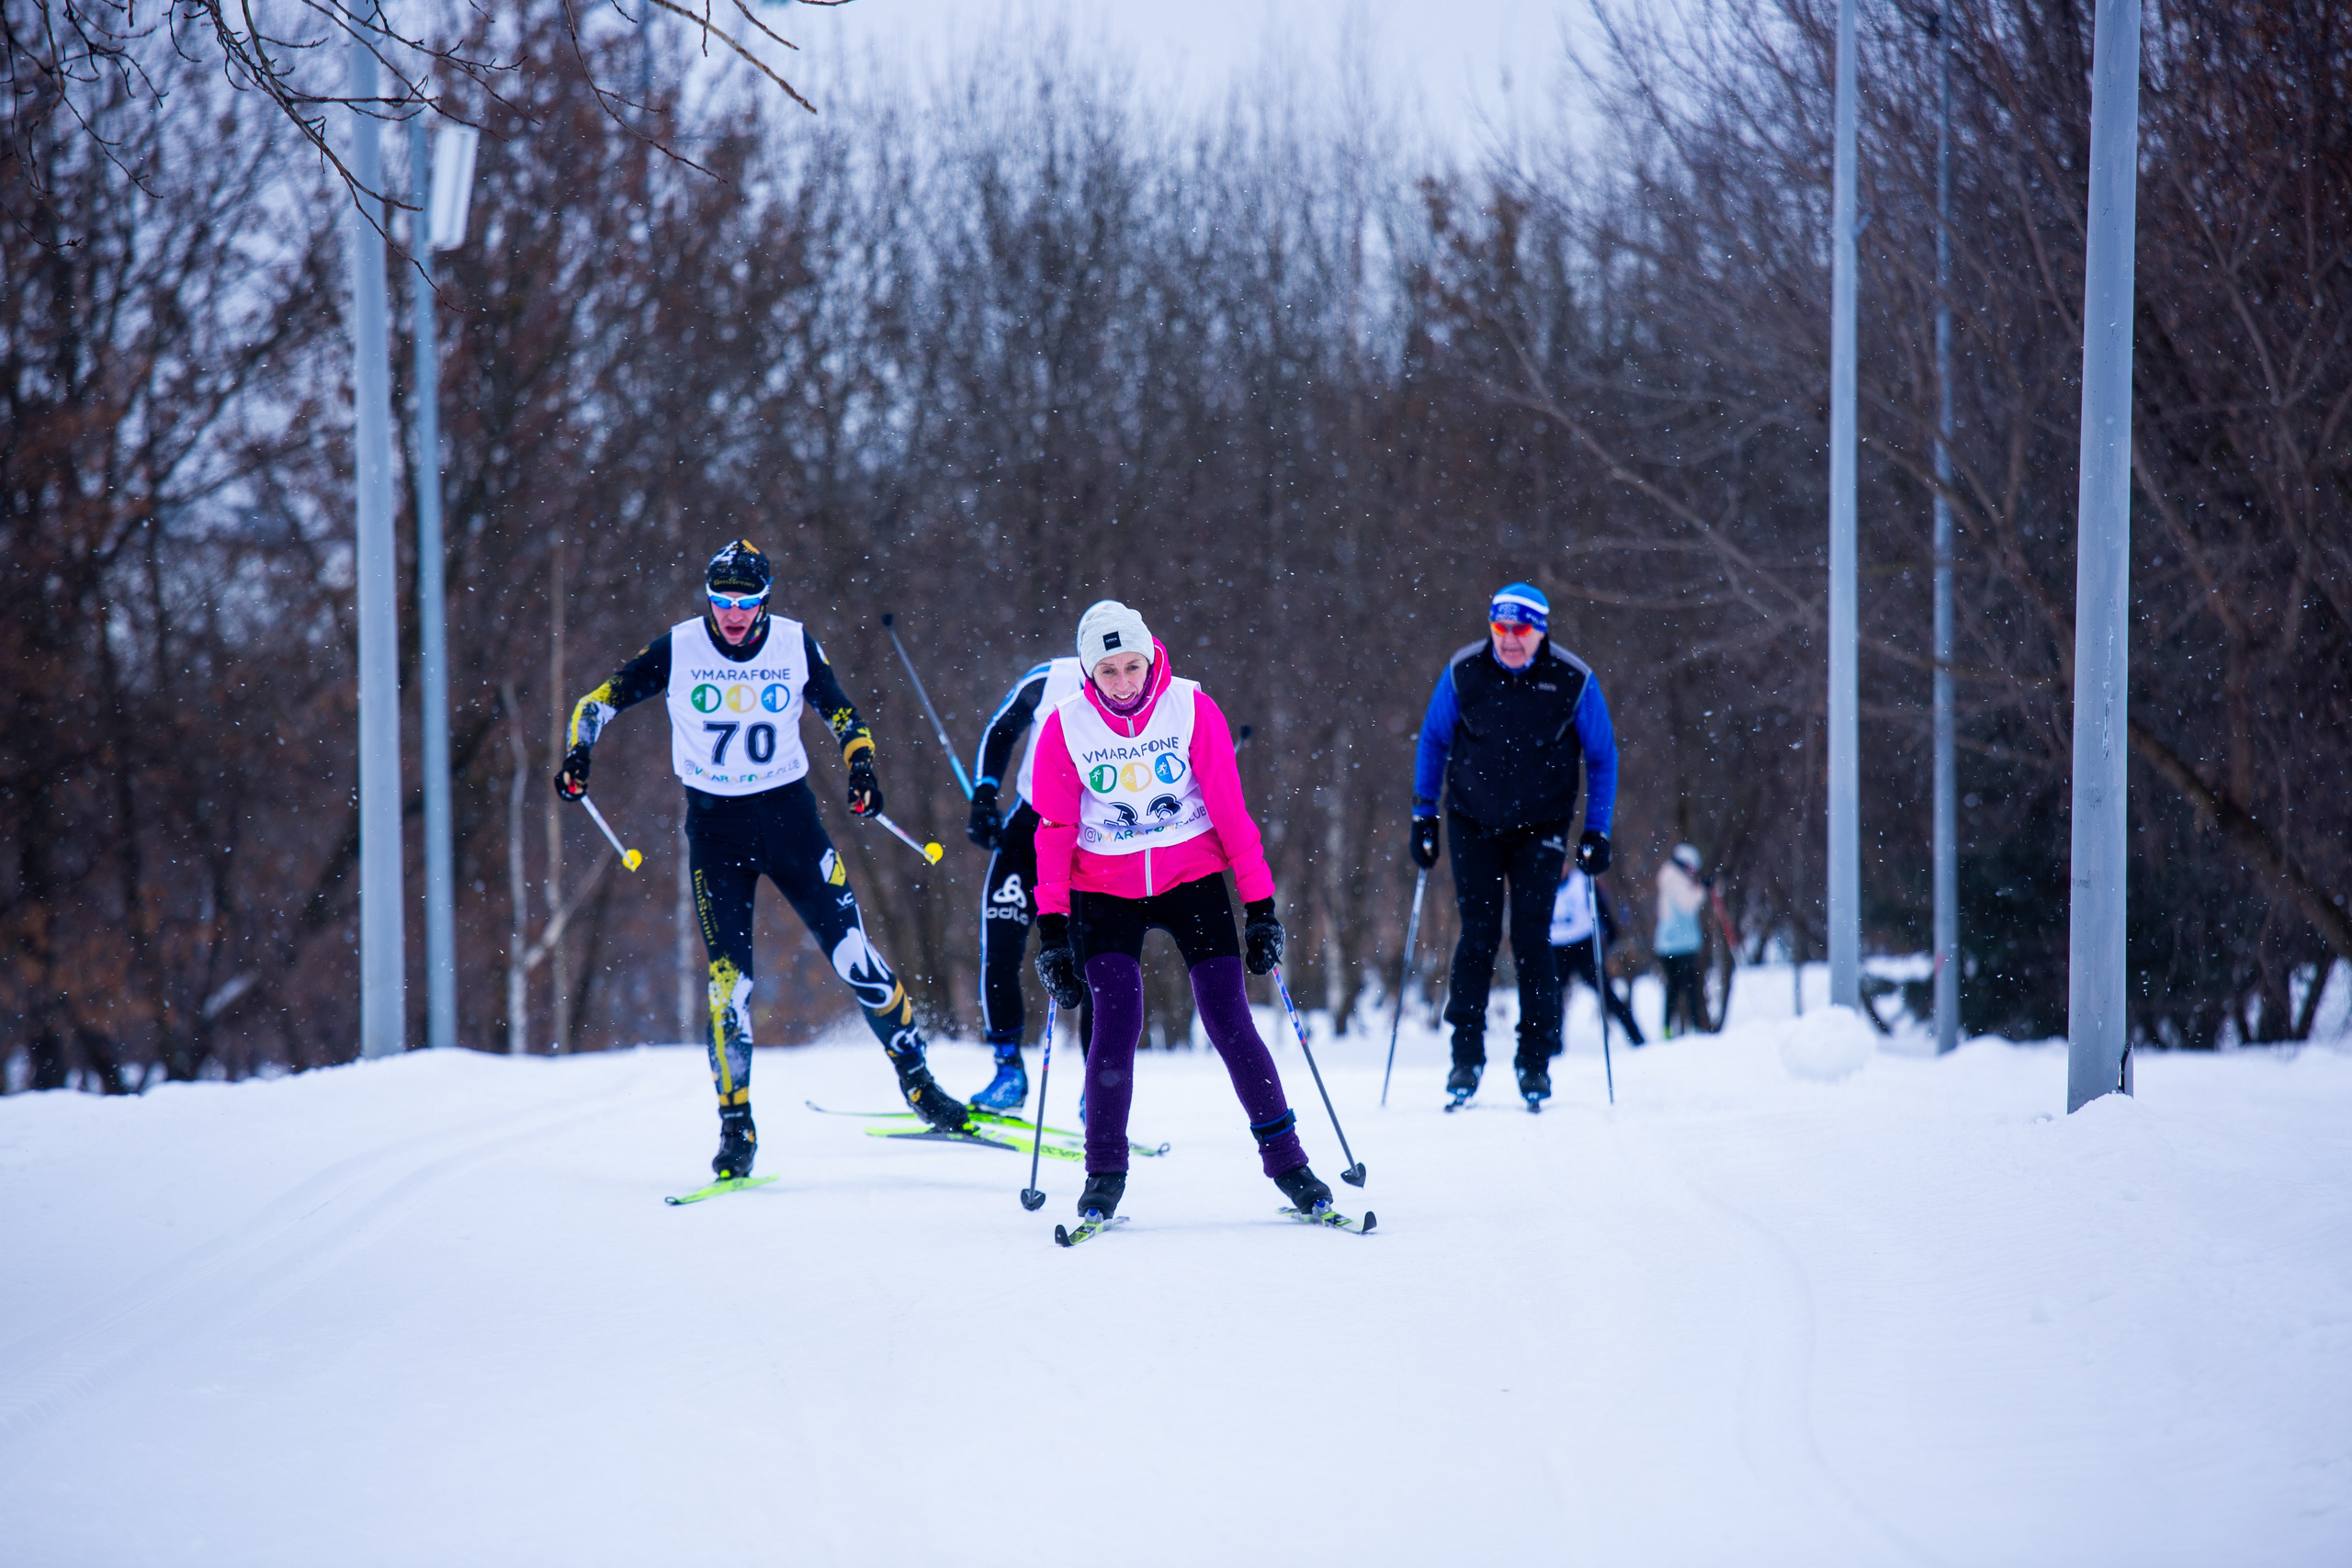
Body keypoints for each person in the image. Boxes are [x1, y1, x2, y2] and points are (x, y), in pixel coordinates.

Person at [556, 540, 968, 1182]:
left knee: (856, 957)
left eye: (746, 602)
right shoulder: (681, 646)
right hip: (716, 833)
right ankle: (736, 1126)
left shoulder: (794, 644)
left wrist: (861, 766)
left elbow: (844, 713)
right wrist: (579, 752)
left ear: (766, 599)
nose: (733, 614)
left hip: (790, 823)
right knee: (730, 991)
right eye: (722, 601)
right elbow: (597, 701)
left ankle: (919, 1083)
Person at [1027, 600, 1340, 1224]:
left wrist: (1260, 907)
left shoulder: (1192, 707)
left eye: (1132, 666)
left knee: (1227, 1018)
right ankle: (1104, 1173)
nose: (1123, 683)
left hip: (1191, 877)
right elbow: (1054, 830)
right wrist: (1054, 933)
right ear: (1090, 674)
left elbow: (1231, 814)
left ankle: (1289, 1161)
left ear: (1151, 658)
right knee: (1116, 1020)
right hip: (1105, 888)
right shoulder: (1066, 727)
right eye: (1108, 671)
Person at [1410, 581, 1619, 1109]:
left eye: (1520, 630)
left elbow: (1602, 756)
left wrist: (1597, 830)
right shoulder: (1464, 671)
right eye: (1500, 628)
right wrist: (1422, 815)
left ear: (1540, 630)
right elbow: (1434, 740)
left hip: (1542, 827)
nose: (1508, 641)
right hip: (1471, 822)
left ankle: (1535, 1061)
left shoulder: (1573, 679)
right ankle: (1466, 1057)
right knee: (1477, 935)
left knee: (1532, 937)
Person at [963, 649, 1091, 1111]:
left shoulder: (1135, 685)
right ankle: (1007, 1069)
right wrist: (983, 797)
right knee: (999, 944)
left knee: (1094, 959)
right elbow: (1001, 729)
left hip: (1090, 836)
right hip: (1026, 827)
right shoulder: (1051, 677)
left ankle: (1099, 1083)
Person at [1550, 865, 1645, 1050]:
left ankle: (1636, 1037)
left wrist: (1611, 933)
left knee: (1606, 993)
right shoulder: (1545, 881)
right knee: (1555, 998)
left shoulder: (1582, 880)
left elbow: (1600, 905)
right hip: (1557, 947)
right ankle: (1554, 1046)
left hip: (1583, 945)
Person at [1655, 843, 1708, 1039]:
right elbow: (1687, 905)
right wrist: (1703, 888)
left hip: (1674, 942)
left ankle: (1673, 1027)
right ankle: (1689, 1028)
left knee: (1677, 988)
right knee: (1685, 987)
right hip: (1677, 944)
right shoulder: (1673, 877)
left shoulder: (1673, 876)